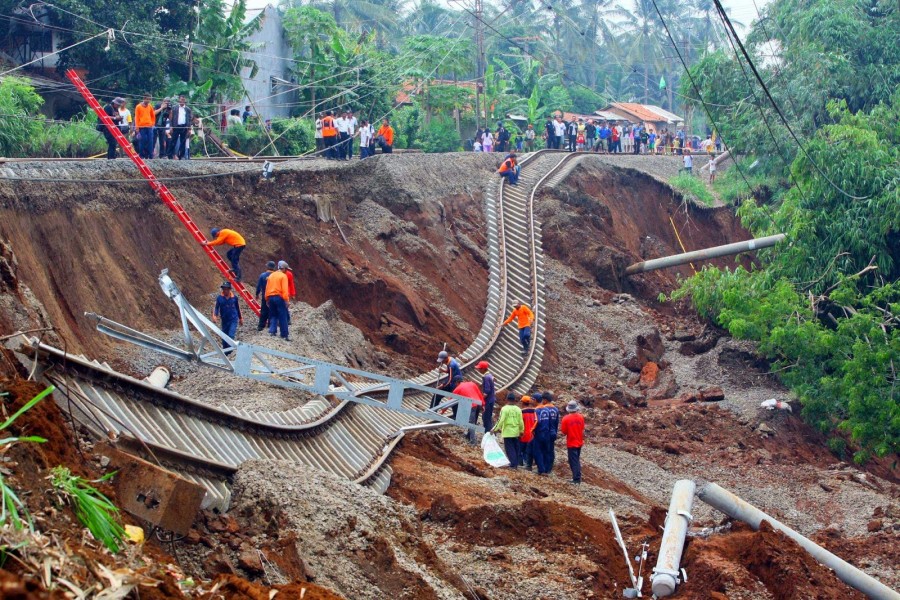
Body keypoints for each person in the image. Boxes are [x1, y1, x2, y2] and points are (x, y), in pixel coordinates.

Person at [492, 392, 524, 468]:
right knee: (516, 447)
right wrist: (521, 430)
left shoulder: (505, 409)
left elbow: (501, 420)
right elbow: (521, 421)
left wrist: (494, 429)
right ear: (514, 400)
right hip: (516, 431)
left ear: (507, 399)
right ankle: (516, 463)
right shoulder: (518, 409)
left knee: (509, 449)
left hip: (508, 432)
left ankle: (513, 464)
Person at [560, 400, 585, 484]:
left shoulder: (566, 418)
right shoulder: (581, 417)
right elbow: (582, 428)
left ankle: (576, 479)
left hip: (571, 442)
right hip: (579, 441)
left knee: (573, 461)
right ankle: (576, 477)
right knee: (576, 459)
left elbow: (564, 431)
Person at [452, 380, 484, 444]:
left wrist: (443, 410)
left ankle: (473, 442)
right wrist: (483, 404)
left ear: (456, 382)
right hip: (477, 404)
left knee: (471, 423)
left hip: (471, 405)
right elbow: (479, 394)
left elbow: (450, 401)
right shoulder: (472, 383)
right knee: (473, 422)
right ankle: (469, 435)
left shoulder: (458, 388)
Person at [265, 262, 290, 340]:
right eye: (286, 269)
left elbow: (267, 288)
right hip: (279, 297)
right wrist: (286, 300)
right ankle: (284, 334)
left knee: (273, 315)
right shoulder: (283, 276)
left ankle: (272, 331)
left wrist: (267, 298)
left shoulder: (271, 275)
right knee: (283, 315)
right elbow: (285, 290)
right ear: (284, 269)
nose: (287, 271)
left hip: (271, 297)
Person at [213, 281, 243, 349]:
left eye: (227, 289)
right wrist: (215, 315)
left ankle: (230, 351)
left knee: (231, 335)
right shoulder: (219, 298)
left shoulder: (234, 298)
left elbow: (238, 308)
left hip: (233, 319)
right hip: (224, 320)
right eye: (224, 289)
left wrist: (240, 318)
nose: (225, 291)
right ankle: (225, 352)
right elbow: (216, 307)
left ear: (229, 289)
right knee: (224, 336)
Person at [134, 94, 158, 160]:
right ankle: (141, 155)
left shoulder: (150, 106)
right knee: (142, 141)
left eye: (149, 99)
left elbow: (153, 115)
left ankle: (150, 155)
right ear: (144, 98)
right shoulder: (138, 107)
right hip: (141, 126)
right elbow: (136, 117)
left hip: (149, 127)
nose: (148, 100)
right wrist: (137, 127)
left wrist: (152, 123)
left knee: (150, 141)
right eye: (147, 99)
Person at [168, 95, 192, 160]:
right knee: (173, 141)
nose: (182, 101)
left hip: (184, 127)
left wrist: (189, 129)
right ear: (179, 100)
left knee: (183, 142)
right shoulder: (174, 108)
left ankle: (181, 156)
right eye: (181, 99)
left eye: (183, 100)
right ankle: (170, 155)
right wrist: (171, 126)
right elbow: (171, 118)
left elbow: (189, 119)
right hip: (176, 126)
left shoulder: (187, 109)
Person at [254, 261, 276, 331]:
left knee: (264, 310)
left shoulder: (263, 275)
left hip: (265, 296)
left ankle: (261, 326)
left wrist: (257, 294)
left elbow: (258, 286)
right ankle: (270, 325)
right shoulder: (276, 275)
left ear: (268, 267)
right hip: (274, 296)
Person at [475, 360, 496, 432]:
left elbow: (486, 391)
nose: (479, 370)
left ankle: (488, 434)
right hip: (491, 399)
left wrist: (480, 399)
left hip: (488, 401)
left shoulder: (486, 377)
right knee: (487, 417)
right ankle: (489, 433)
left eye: (480, 368)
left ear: (484, 369)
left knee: (486, 418)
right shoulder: (490, 375)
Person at [520, 395, 537, 471]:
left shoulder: (521, 412)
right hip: (532, 435)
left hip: (523, 435)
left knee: (521, 450)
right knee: (530, 451)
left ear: (522, 403)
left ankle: (521, 463)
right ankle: (529, 463)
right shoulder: (535, 411)